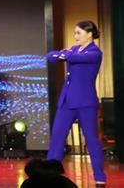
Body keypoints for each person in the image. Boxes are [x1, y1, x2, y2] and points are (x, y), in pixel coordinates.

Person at [46, 20, 106, 186]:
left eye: (78, 33)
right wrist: (63, 54)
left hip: (85, 103)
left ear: (89, 34)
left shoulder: (95, 53)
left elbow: (73, 57)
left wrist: (65, 54)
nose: (75, 36)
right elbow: (51, 56)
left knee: (92, 140)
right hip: (66, 101)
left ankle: (100, 177)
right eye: (75, 33)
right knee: (57, 138)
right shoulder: (73, 50)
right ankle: (48, 176)